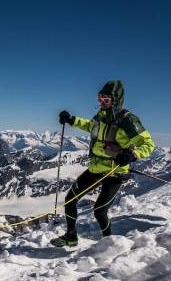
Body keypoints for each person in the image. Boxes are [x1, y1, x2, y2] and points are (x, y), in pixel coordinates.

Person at [51, 80, 155, 247]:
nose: (101, 103)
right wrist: (71, 119)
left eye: (106, 100)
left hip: (115, 171)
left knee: (100, 211)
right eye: (99, 99)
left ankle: (109, 243)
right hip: (96, 167)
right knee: (70, 199)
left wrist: (133, 154)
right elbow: (90, 126)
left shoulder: (128, 120)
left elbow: (148, 144)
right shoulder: (100, 117)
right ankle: (71, 236)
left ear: (116, 100)